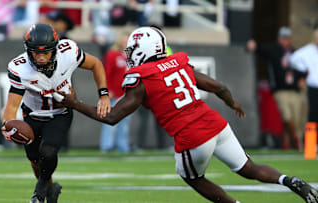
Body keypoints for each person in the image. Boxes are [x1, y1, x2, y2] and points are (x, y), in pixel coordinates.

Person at [60, 27, 318, 203]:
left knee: (192, 177)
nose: (129, 54)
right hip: (216, 124)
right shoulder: (178, 63)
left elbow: (112, 117)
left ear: (144, 48)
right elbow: (220, 87)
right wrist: (233, 103)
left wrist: (74, 103)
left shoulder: (141, 79)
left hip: (191, 134)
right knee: (247, 167)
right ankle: (289, 180)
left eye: (132, 49)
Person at [0, 23, 110, 203]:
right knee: (35, 160)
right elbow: (12, 106)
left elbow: (96, 64)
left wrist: (104, 95)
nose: (41, 57)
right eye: (36, 52)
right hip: (32, 115)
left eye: (46, 52)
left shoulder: (68, 52)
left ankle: (40, 191)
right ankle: (51, 190)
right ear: (28, 51)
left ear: (56, 49)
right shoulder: (20, 68)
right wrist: (7, 124)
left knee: (48, 152)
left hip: (60, 112)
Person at [247, 27, 305, 149]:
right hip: (280, 90)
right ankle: (296, 140)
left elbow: (302, 70)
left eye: (287, 38)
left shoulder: (294, 52)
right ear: (279, 38)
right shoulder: (273, 50)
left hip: (294, 91)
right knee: (287, 117)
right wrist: (253, 45)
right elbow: (259, 49)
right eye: (283, 38)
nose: (285, 40)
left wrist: (302, 79)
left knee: (296, 118)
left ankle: (288, 142)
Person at [100, 33, 131, 153]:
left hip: (127, 95)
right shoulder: (112, 54)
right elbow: (106, 72)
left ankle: (123, 146)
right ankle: (106, 146)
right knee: (110, 120)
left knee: (125, 123)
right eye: (124, 41)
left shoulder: (132, 57)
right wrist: (107, 90)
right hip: (115, 93)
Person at [289, 29, 318, 136]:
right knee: (312, 115)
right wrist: (303, 72)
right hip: (313, 88)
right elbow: (293, 59)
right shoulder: (308, 51)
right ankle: (311, 143)